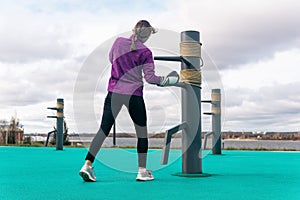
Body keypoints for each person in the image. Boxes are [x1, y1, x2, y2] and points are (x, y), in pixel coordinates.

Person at [79, 20, 179, 182]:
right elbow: (151, 78)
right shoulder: (145, 52)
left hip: (114, 92)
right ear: (147, 36)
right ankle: (142, 171)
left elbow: (112, 59)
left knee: (103, 129)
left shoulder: (118, 43)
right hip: (134, 95)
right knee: (142, 134)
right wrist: (170, 81)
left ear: (134, 30)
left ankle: (87, 165)